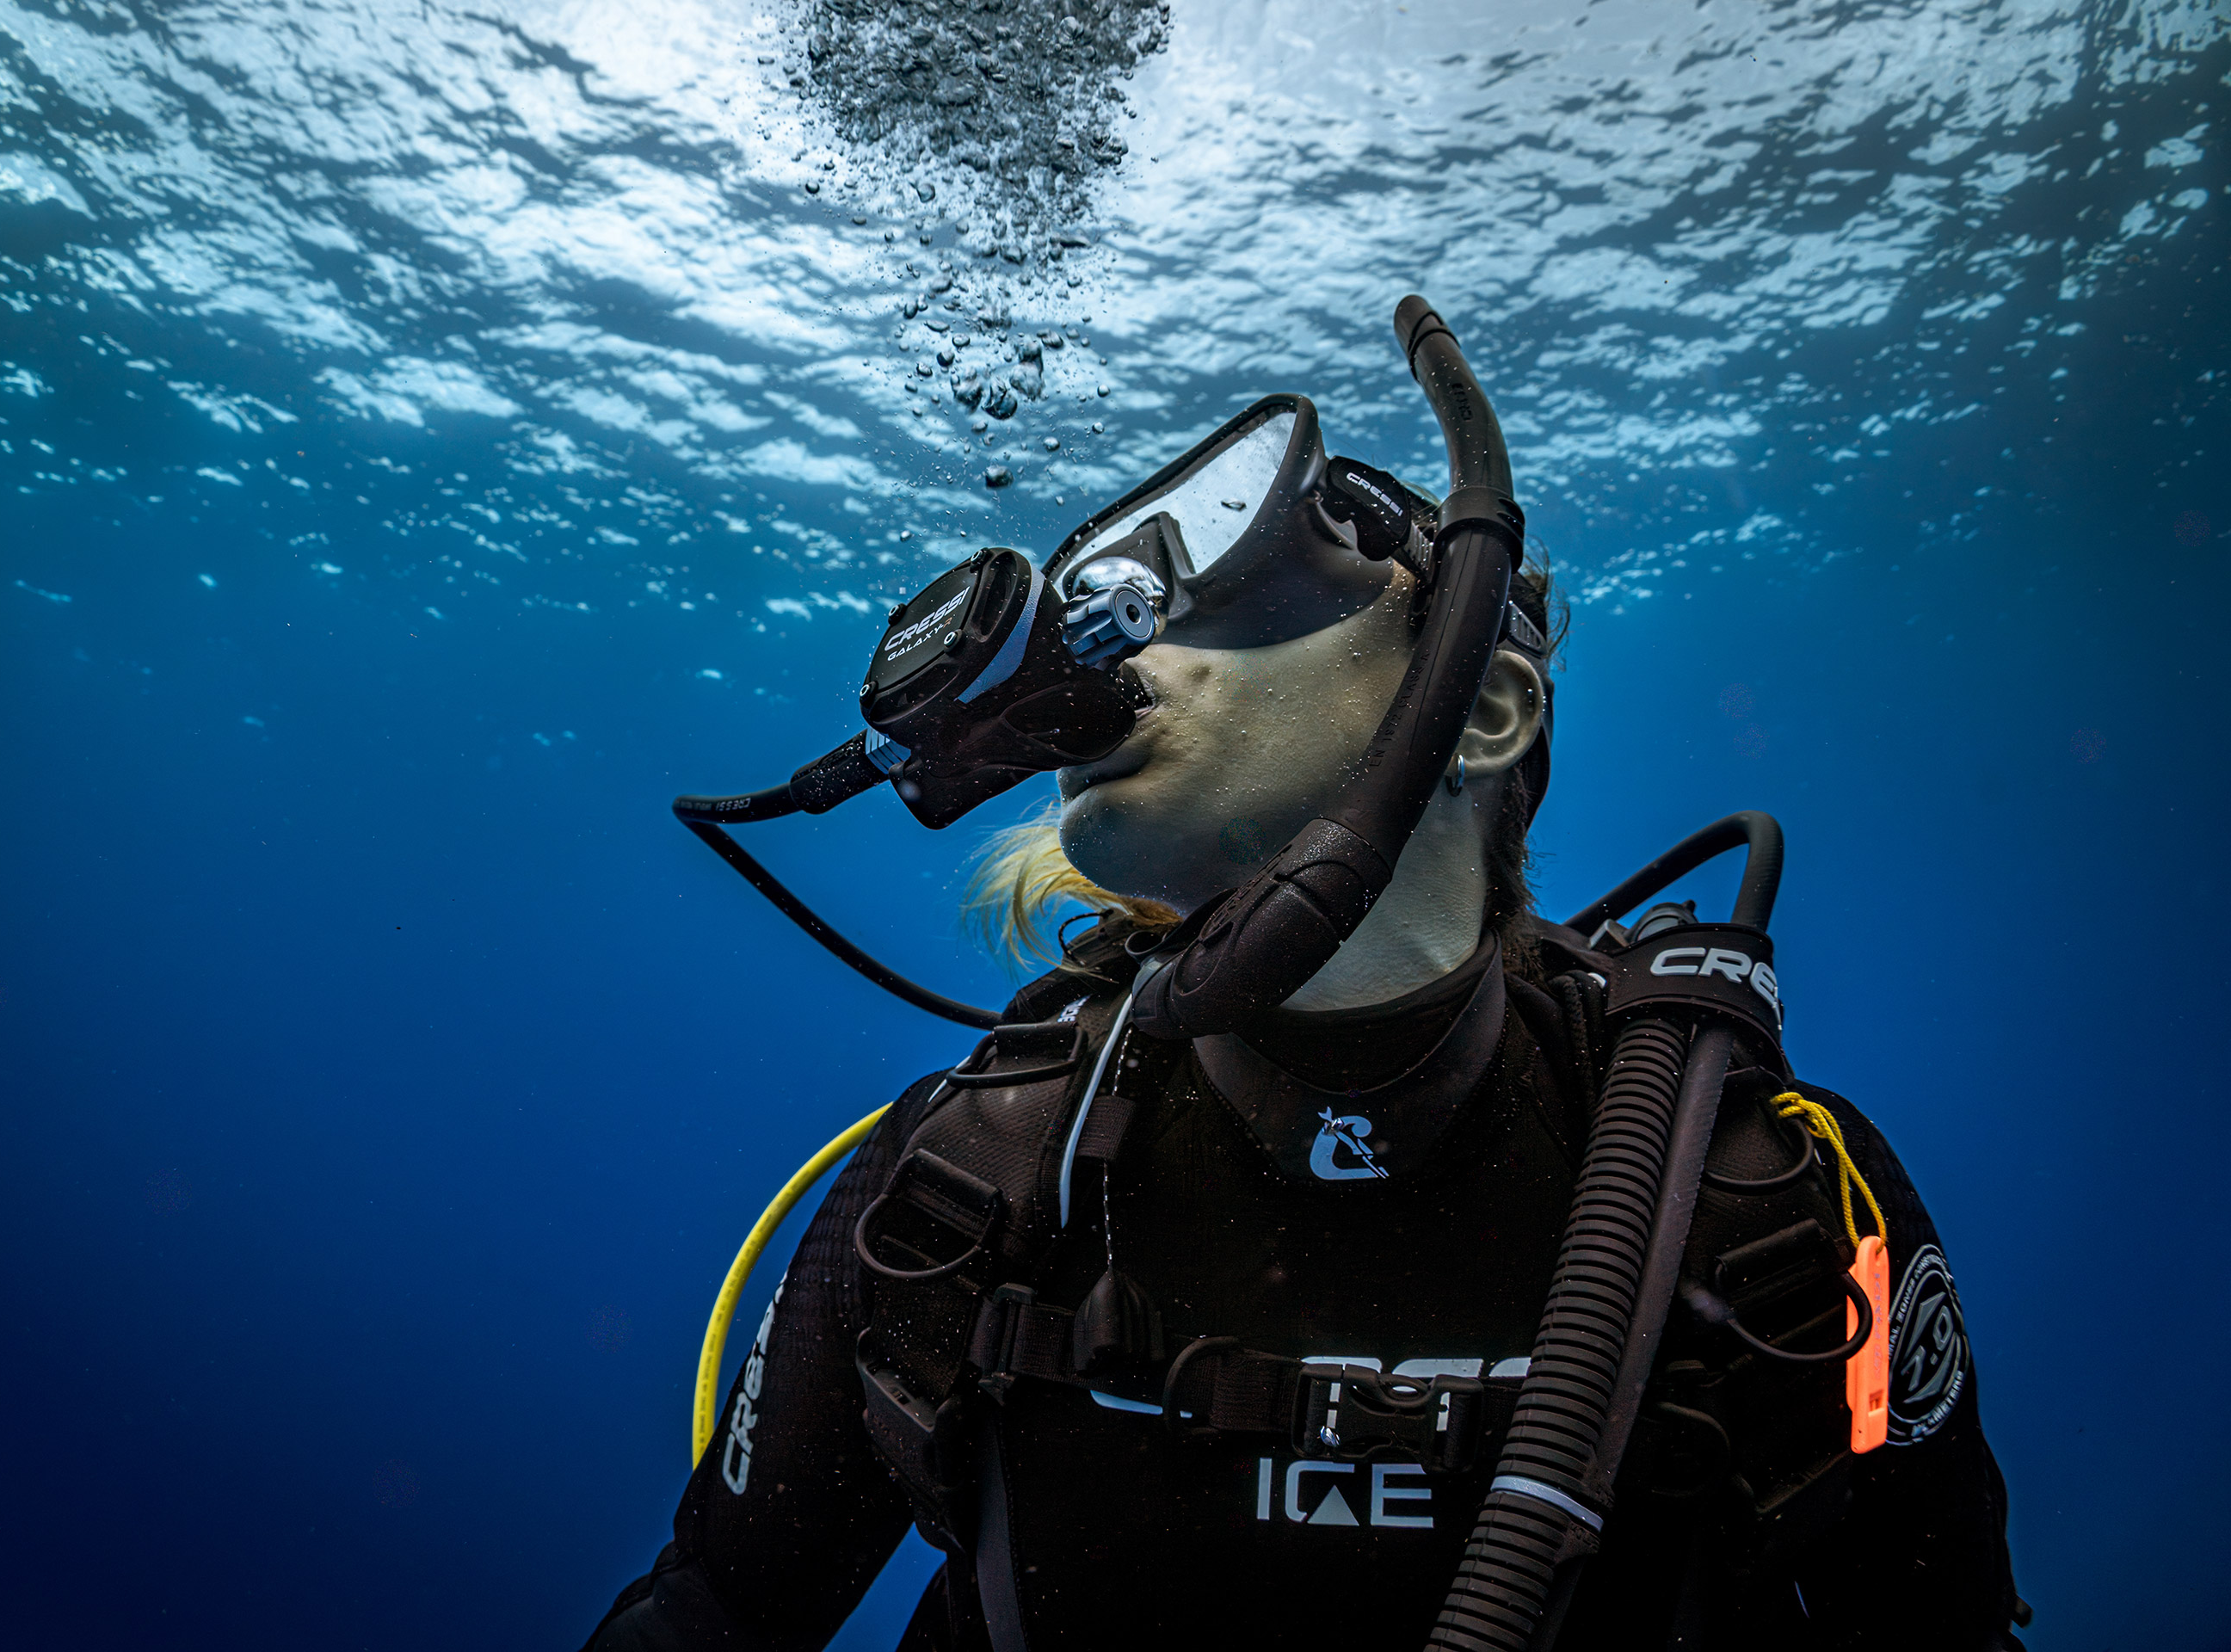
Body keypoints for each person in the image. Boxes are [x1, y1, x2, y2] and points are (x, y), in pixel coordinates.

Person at [592, 363, 2022, 1647]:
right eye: (1114, 614)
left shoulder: (1766, 1198)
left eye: (1237, 589)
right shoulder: (968, 1171)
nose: (1120, 655)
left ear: (1484, 711)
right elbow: (712, 1618)